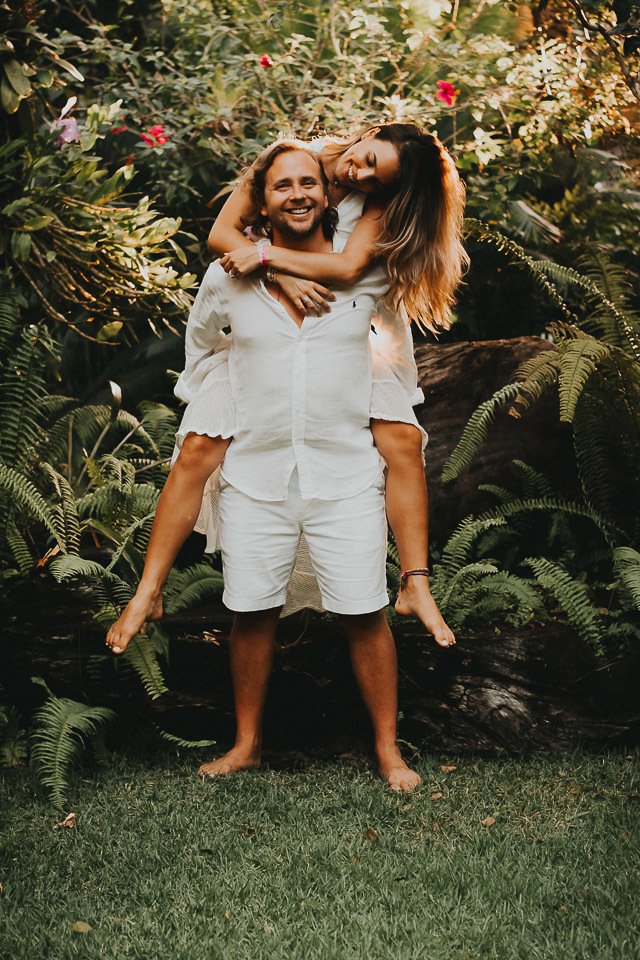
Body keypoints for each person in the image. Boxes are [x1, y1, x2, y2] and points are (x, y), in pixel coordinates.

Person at [106, 123, 466, 654]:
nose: (358, 173)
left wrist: (273, 260)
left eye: (375, 176)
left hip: (340, 336)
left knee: (404, 441)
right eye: (365, 157)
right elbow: (222, 238)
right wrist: (278, 274)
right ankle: (148, 589)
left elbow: (347, 268)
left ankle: (416, 582)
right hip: (260, 334)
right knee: (197, 448)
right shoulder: (297, 161)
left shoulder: (374, 205)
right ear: (365, 134)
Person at [187, 143, 419, 788]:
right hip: (257, 473)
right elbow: (205, 344)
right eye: (283, 186)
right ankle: (247, 744)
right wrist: (268, 271)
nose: (299, 193)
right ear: (264, 198)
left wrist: (379, 401)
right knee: (252, 609)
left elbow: (394, 354)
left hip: (343, 471)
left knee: (365, 609)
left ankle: (388, 751)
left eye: (308, 184)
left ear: (327, 191)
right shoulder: (233, 269)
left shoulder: (365, 260)